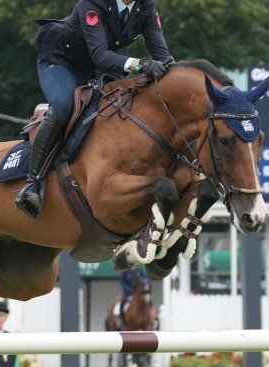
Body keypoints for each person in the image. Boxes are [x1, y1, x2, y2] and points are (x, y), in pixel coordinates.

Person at [15, 0, 175, 218]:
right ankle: (32, 184)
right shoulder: (92, 3)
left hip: (101, 67)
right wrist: (141, 64)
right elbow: (100, 53)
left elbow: (162, 55)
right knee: (64, 105)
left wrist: (177, 76)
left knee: (125, 104)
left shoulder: (145, 7)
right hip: (61, 60)